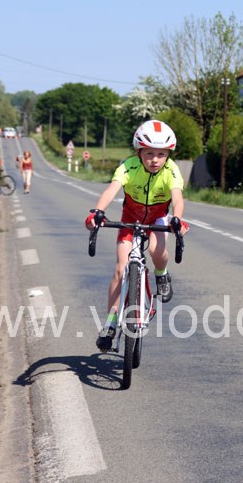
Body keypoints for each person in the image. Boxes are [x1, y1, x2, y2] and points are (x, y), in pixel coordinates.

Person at [85, 119, 187, 352]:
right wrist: (97, 212)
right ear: (138, 152)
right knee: (121, 268)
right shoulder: (128, 167)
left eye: (161, 154)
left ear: (168, 155)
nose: (155, 159)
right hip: (130, 218)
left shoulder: (172, 170)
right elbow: (111, 190)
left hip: (158, 218)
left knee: (156, 251)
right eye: (149, 153)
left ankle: (161, 274)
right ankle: (110, 324)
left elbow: (177, 198)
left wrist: (177, 218)